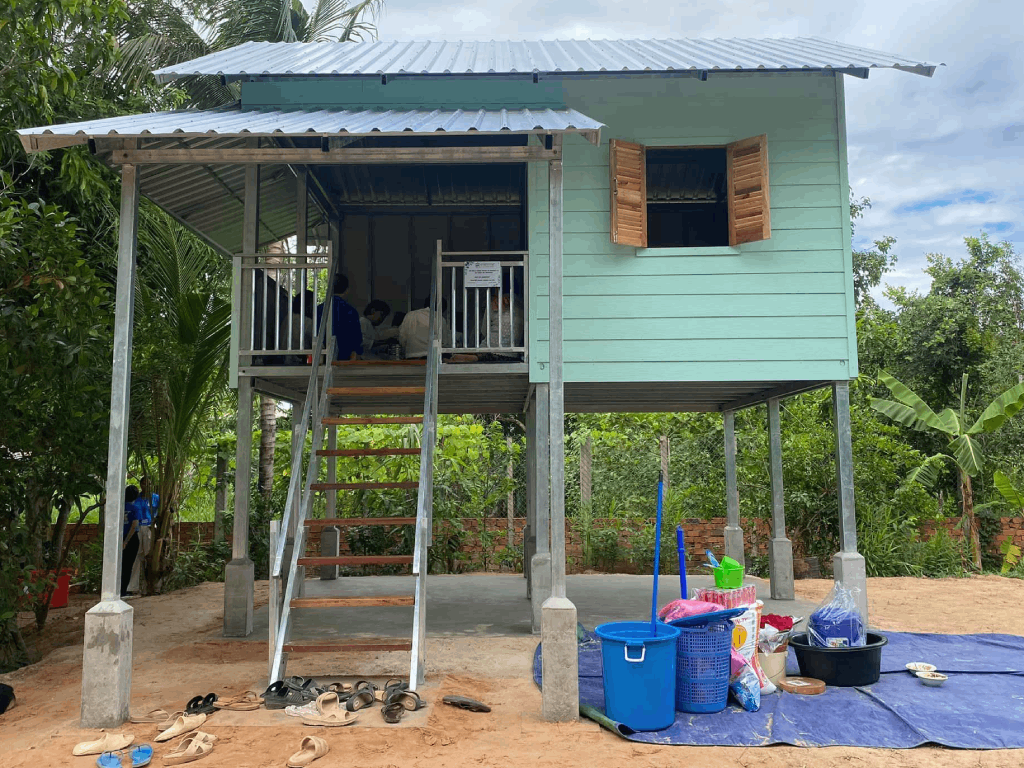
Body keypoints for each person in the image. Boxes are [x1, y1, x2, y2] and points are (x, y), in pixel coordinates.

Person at [316, 274, 362, 361]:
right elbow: (356, 338)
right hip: (345, 360)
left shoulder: (319, 309)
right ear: (347, 290)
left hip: (321, 358)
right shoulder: (350, 311)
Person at [121, 486, 142, 599]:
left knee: (120, 565)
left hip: (119, 537)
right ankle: (123, 591)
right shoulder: (135, 508)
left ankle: (119, 589)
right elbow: (134, 526)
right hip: (131, 539)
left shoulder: (119, 507)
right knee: (128, 566)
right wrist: (126, 541)